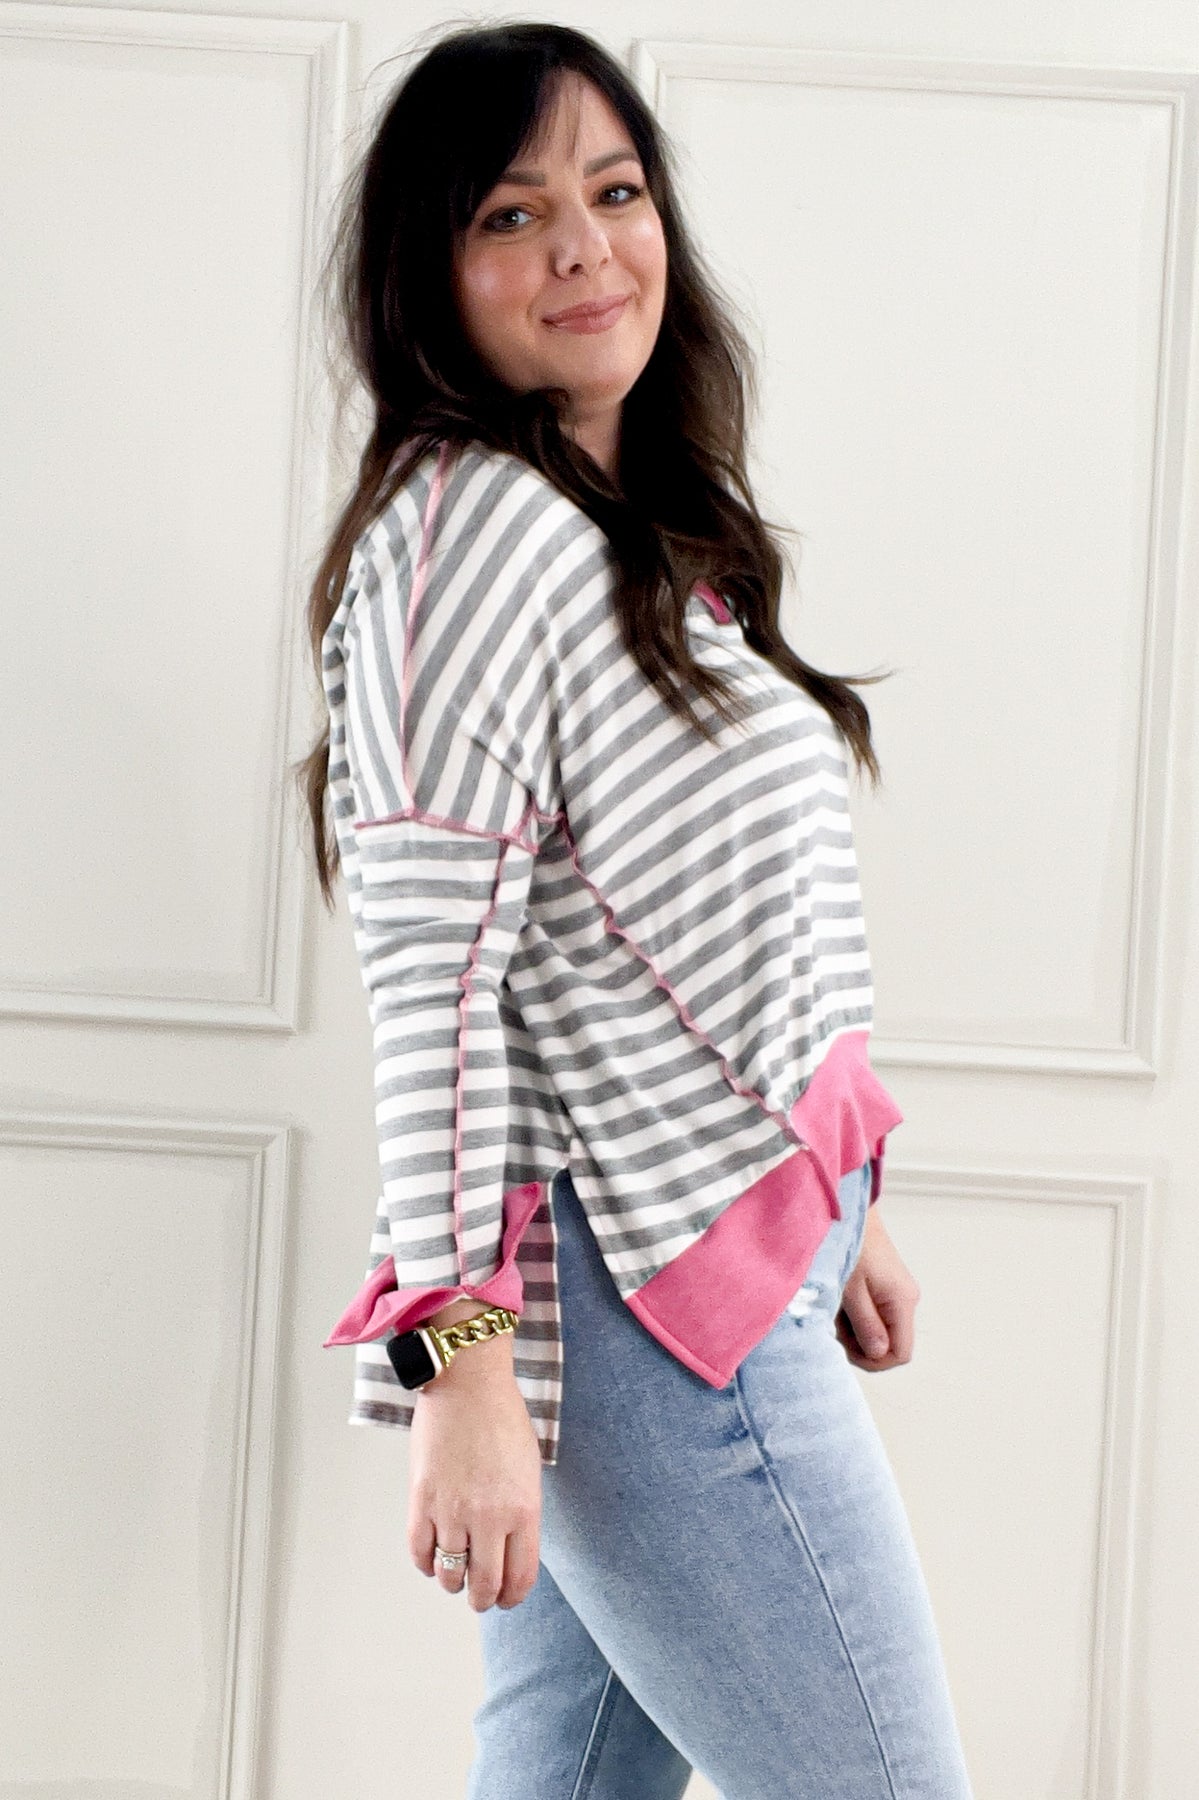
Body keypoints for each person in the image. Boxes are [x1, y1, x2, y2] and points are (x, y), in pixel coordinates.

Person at [294, 21, 975, 1799]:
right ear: (429, 275)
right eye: (512, 215)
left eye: (615, 191)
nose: (586, 249)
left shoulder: (631, 533)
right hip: (646, 1316)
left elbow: (697, 940)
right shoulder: (469, 537)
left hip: (720, 1265)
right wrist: (460, 1372)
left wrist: (837, 1201)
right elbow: (437, 997)